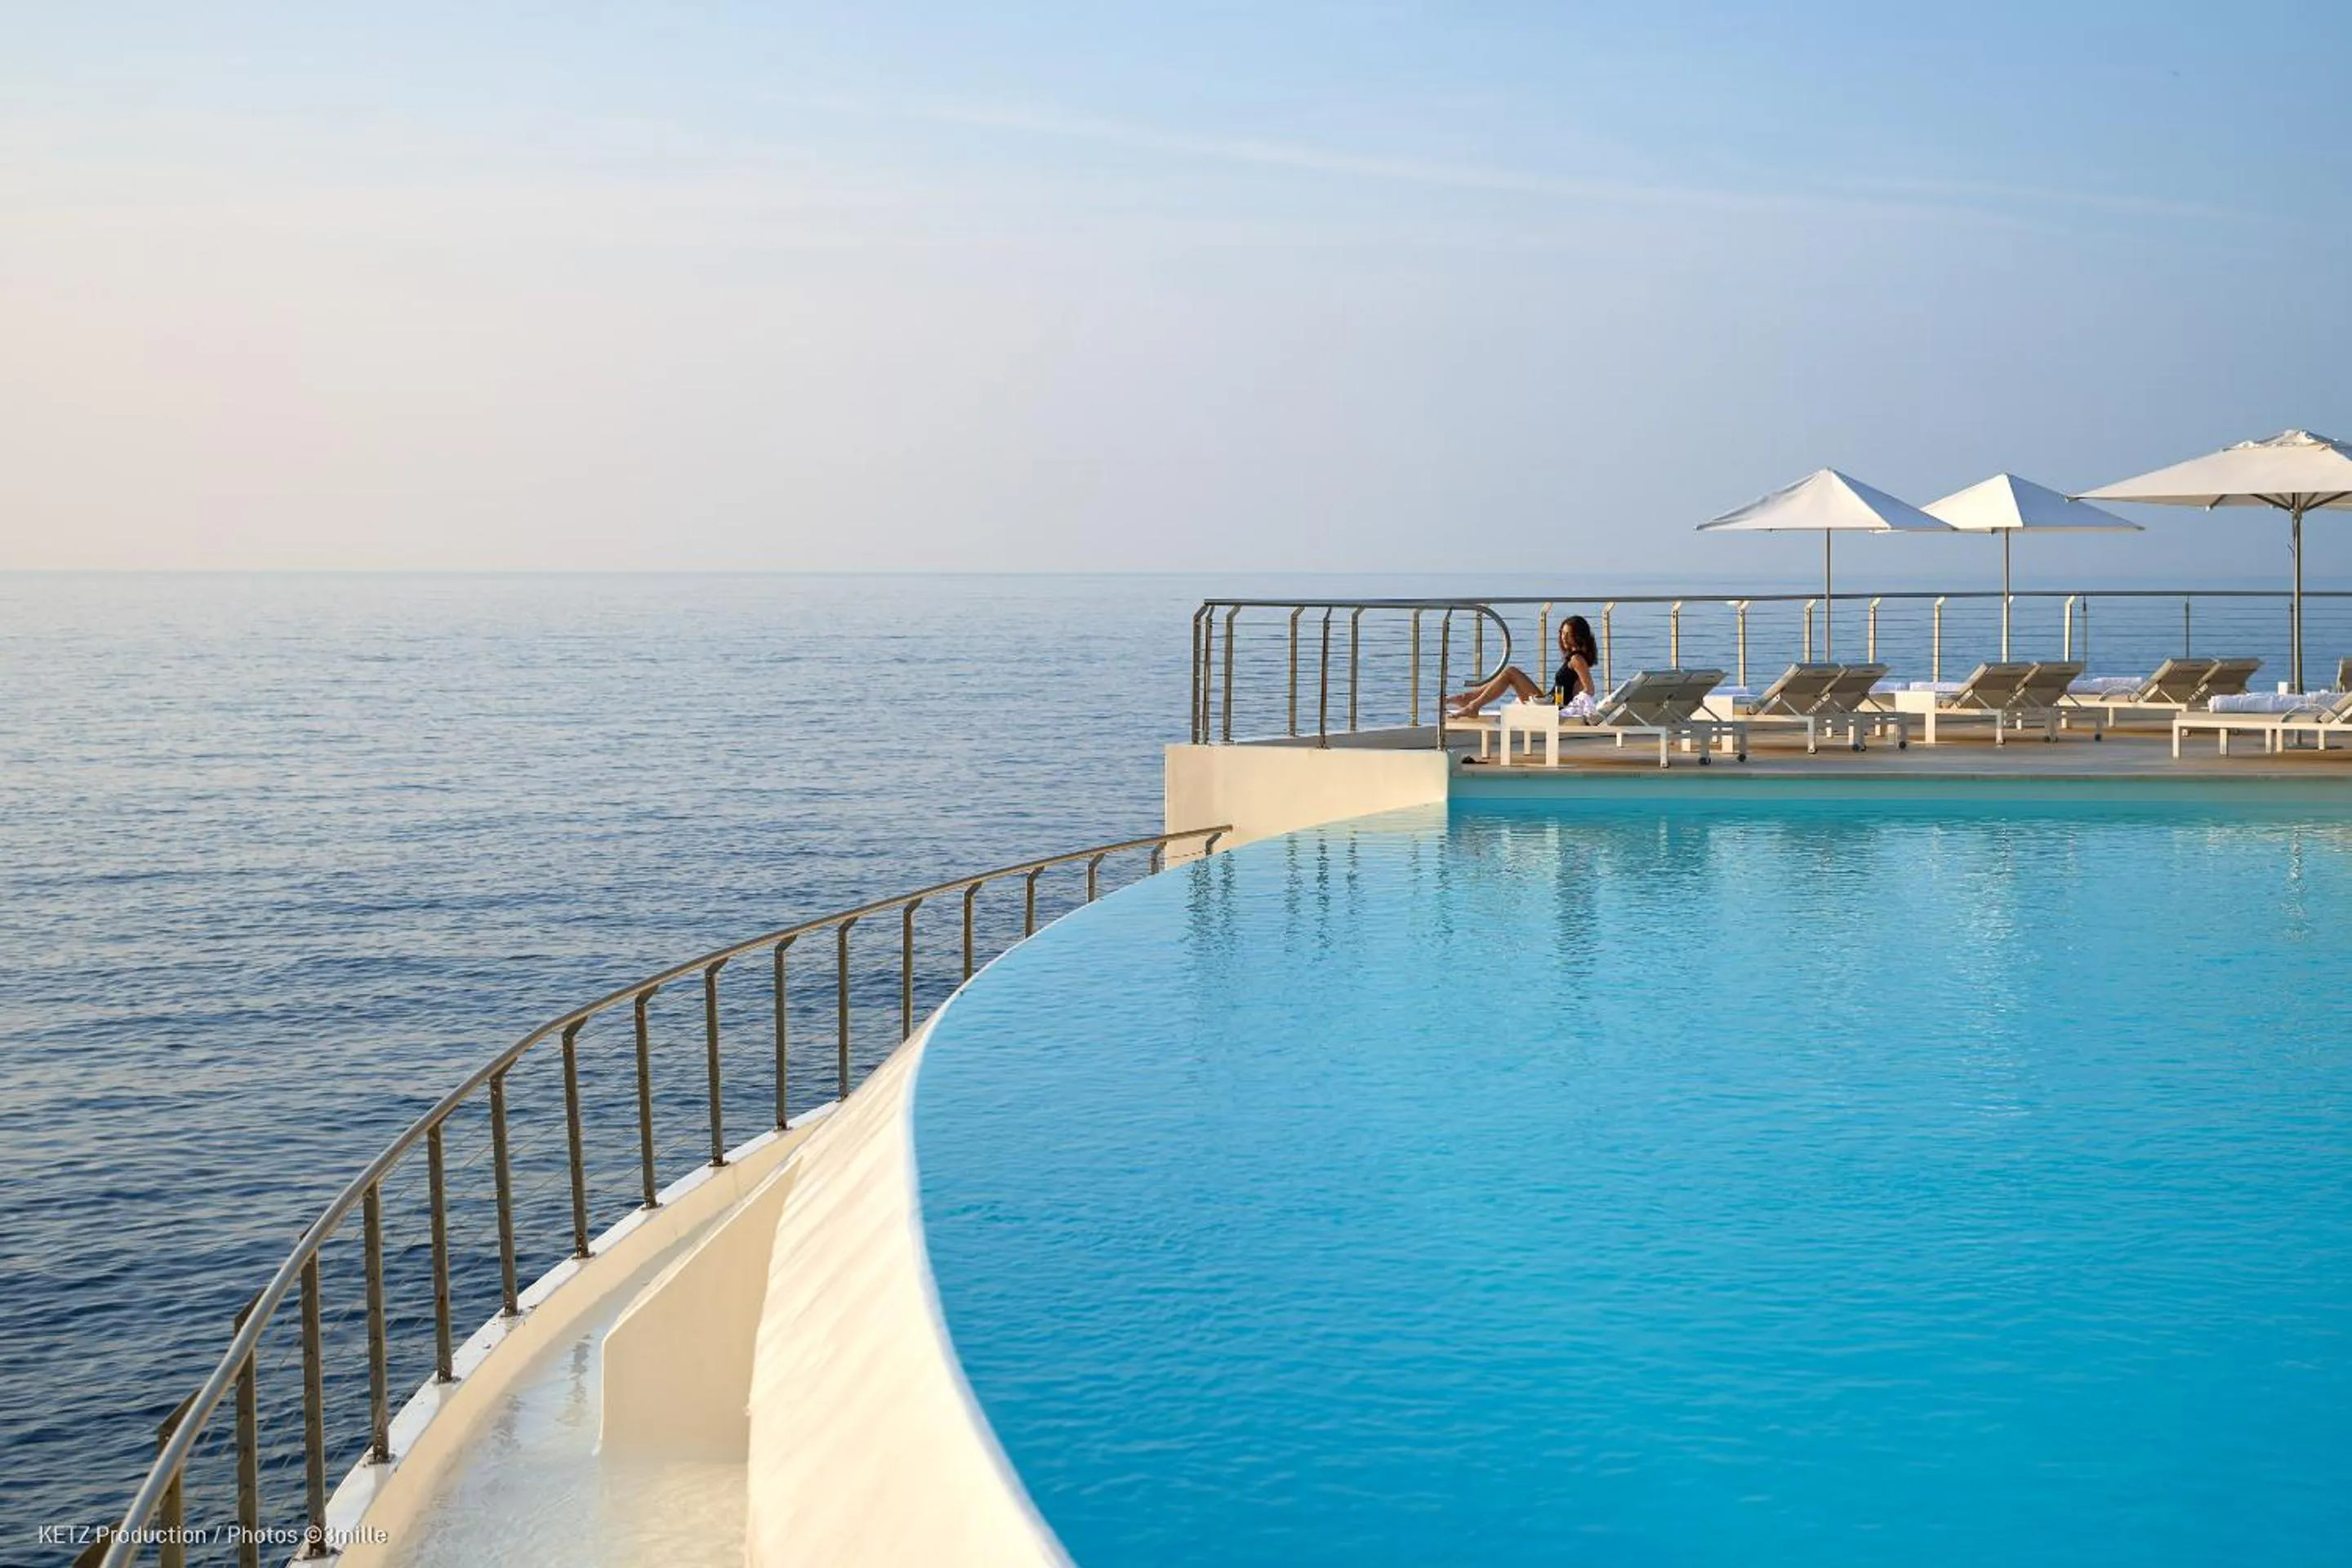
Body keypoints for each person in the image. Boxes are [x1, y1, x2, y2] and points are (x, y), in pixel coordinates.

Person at [1450, 615, 1600, 718]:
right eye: (1562, 633)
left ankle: (1472, 704)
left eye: (1568, 634)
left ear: (1579, 635)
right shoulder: (1578, 658)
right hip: (1549, 702)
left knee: (1511, 672)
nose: (1563, 638)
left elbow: (1590, 689)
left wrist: (1572, 708)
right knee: (1509, 674)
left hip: (1552, 707)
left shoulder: (1578, 659)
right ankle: (1468, 699)